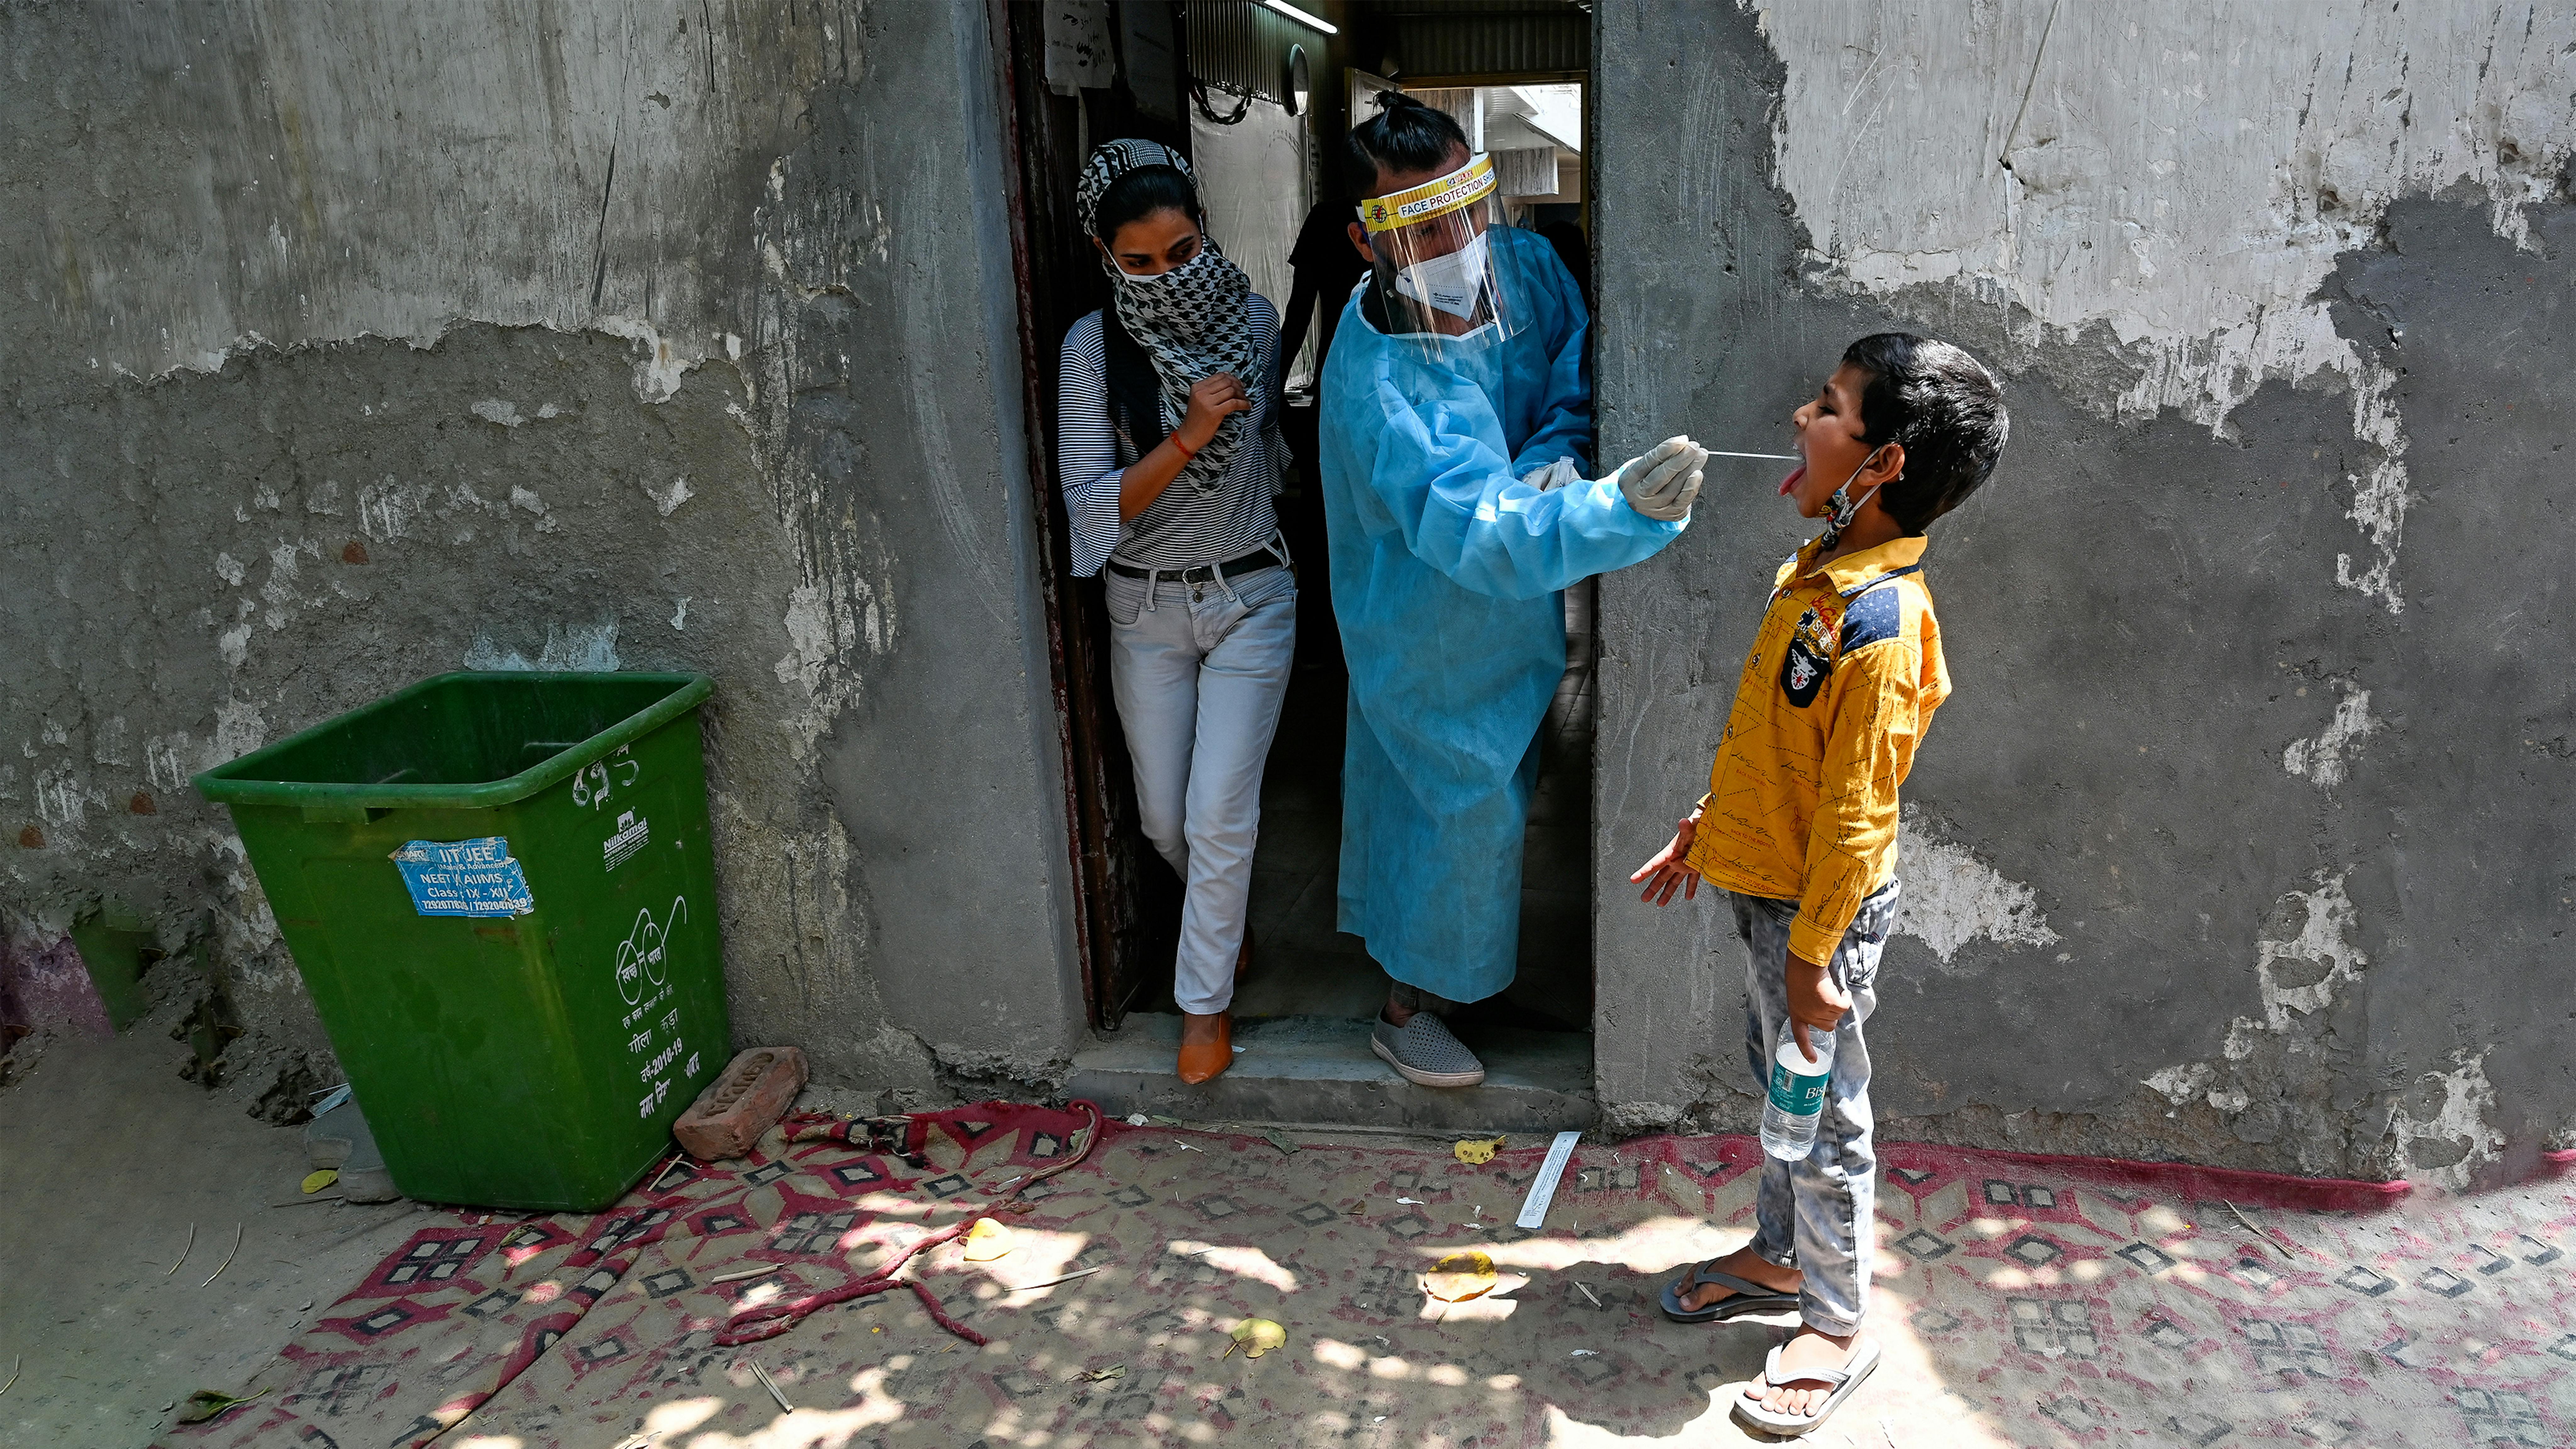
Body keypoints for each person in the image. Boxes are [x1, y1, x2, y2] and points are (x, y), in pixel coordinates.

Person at [1631, 333, 2008, 1436]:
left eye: (1831, 408)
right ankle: (1783, 1258)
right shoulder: (1817, 576)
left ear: (1884, 464)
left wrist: (1810, 967)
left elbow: (1857, 816)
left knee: (1828, 1113)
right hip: (1773, 898)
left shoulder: (1884, 628)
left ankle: (1837, 1326)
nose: (1800, 417)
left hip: (1818, 922)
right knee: (1783, 1090)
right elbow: (1777, 745)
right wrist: (1709, 829)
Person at [1318, 92, 1710, 1088]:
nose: (1456, 241)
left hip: (1519, 600)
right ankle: (1407, 1009)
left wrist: (1556, 453)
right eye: (1421, 224)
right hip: (1431, 625)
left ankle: (1444, 979)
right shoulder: (1377, 386)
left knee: (1509, 792)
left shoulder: (1525, 270)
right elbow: (1474, 532)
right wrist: (1618, 511)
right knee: (1452, 809)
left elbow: (1572, 372)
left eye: (1466, 208)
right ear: (1370, 240)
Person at [1058, 139, 1292, 1085]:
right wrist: (1191, 431)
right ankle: (1219, 923)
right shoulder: (1092, 347)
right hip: (1146, 608)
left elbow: (1271, 448)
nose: (1167, 274)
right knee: (1166, 823)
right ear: (1109, 257)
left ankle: (1205, 1009)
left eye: (1184, 250)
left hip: (1253, 596)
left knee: (1219, 815)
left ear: (1206, 230)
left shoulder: (1257, 320)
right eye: (1141, 262)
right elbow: (1090, 505)